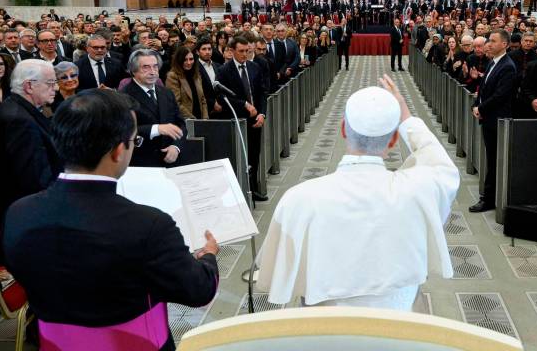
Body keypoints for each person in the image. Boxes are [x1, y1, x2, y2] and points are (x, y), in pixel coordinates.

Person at [3, 89, 219, 351]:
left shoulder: (19, 212)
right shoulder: (148, 226)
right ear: (119, 150)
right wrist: (208, 256)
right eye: (133, 141)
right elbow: (198, 290)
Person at [257, 75, 458, 310]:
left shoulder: (299, 198)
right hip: (399, 324)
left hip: (325, 330)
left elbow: (274, 274)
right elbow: (442, 166)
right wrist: (406, 118)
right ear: (394, 139)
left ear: (343, 129)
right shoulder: (418, 190)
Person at [0, 59, 62, 216]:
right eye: (50, 83)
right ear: (29, 86)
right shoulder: (20, 121)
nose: (56, 88)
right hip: (32, 211)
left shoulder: (13, 104)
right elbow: (36, 181)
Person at [216, 36, 268, 201]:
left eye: (247, 51)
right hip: (236, 121)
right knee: (238, 157)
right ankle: (238, 193)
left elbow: (261, 93)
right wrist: (243, 104)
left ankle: (252, 190)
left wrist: (262, 113)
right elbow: (222, 97)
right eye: (241, 51)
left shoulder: (254, 67)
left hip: (255, 119)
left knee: (254, 155)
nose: (245, 54)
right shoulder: (224, 71)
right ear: (232, 51)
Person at [469, 30, 516, 213]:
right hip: (488, 118)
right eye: (489, 40)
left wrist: (481, 108)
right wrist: (476, 104)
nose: (489, 43)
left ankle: (488, 199)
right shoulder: (493, 62)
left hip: (498, 120)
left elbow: (500, 95)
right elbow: (484, 89)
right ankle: (488, 196)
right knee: (491, 157)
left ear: (504, 44)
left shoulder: (507, 66)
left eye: (493, 41)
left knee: (495, 160)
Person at [120, 49, 186, 167]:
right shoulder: (124, 96)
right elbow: (123, 131)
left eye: (155, 67)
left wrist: (176, 147)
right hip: (141, 164)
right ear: (133, 71)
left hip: (171, 162)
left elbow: (181, 124)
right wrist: (156, 129)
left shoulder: (166, 93)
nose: (152, 72)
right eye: (146, 67)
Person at [166, 46, 209, 120]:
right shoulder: (173, 76)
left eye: (191, 59)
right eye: (185, 60)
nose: (189, 62)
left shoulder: (197, 75)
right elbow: (175, 103)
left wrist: (205, 118)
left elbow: (203, 99)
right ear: (179, 60)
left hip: (200, 121)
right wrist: (193, 119)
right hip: (184, 121)